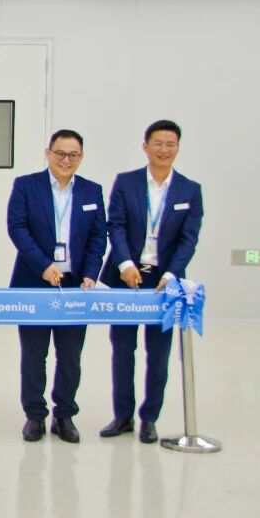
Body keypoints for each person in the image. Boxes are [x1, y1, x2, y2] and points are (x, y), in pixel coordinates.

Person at [99, 120, 203, 444]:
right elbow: (115, 225)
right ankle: (123, 416)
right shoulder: (126, 182)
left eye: (171, 144)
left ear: (178, 148)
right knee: (122, 349)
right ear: (145, 146)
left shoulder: (190, 190)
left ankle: (149, 418)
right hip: (126, 275)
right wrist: (125, 264)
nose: (164, 150)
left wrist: (171, 275)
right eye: (158, 143)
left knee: (158, 354)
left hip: (164, 279)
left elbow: (188, 239)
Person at [7, 129, 107, 444]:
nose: (66, 160)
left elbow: (98, 237)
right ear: (48, 153)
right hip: (34, 283)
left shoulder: (92, 191)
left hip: (75, 287)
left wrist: (91, 273)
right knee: (34, 355)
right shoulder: (26, 185)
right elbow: (17, 228)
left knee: (70, 356)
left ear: (81, 157)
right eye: (60, 153)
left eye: (73, 155)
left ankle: (64, 415)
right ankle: (35, 415)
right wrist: (43, 266)